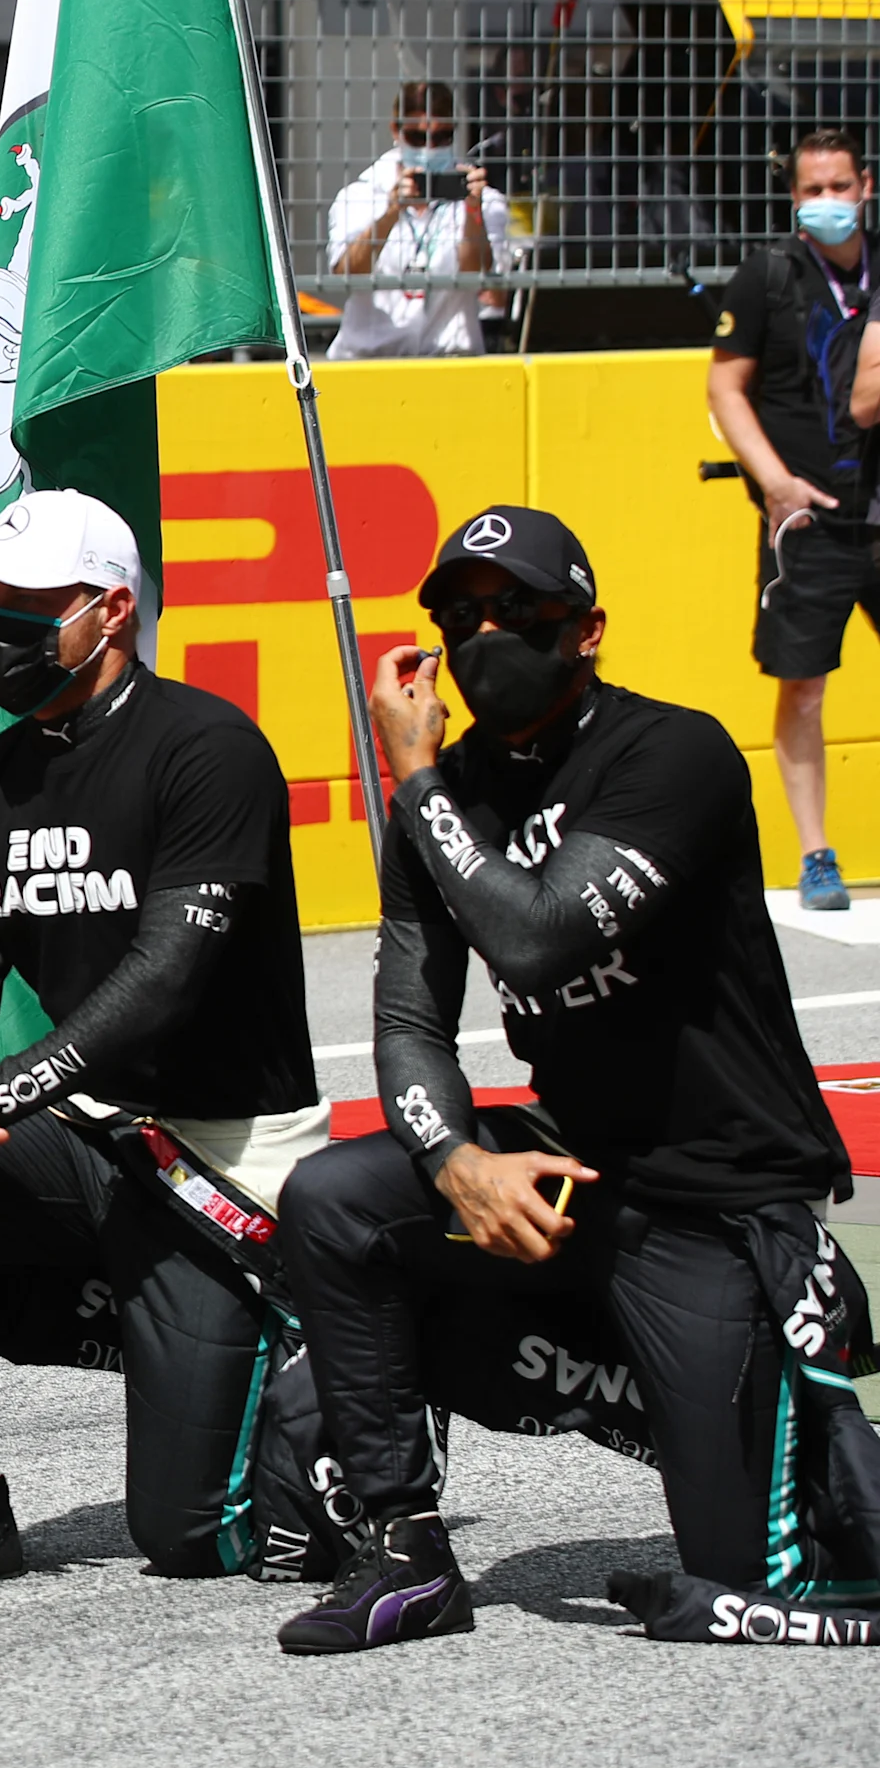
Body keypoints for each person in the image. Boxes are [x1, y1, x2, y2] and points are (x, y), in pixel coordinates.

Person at [275, 503, 870, 1653]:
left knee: (736, 1577)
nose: (484, 631)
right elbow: (406, 1025)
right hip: (575, 1166)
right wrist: (455, 1167)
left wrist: (414, 786)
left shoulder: (671, 752)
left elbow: (540, 935)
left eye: (519, 609)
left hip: (715, 1194)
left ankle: (687, 1387)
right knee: (334, 1201)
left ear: (586, 628)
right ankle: (405, 1553)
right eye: (459, 613)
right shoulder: (440, 799)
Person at [0, 488, 324, 1593]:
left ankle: (318, 1352)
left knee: (191, 1537)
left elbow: (162, 984)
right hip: (91, 1139)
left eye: (22, 604)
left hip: (224, 1148)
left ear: (109, 609)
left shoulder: (207, 748)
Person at [709, 127, 877, 910]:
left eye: (839, 188)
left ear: (865, 186)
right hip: (807, 519)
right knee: (803, 684)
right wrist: (777, 483)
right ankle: (817, 854)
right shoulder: (768, 274)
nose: (827, 204)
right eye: (812, 191)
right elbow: (725, 390)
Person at [325, 80, 519, 358]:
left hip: (449, 360)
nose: (429, 148)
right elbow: (346, 273)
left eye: (442, 137)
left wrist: (473, 212)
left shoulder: (484, 200)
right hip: (369, 360)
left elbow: (483, 283)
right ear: (396, 130)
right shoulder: (360, 195)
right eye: (418, 137)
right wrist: (391, 213)